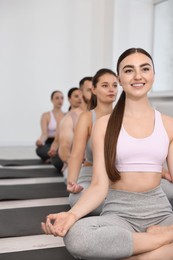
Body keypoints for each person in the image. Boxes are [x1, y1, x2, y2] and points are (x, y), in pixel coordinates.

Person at [41, 48, 173, 259]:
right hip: (119, 213)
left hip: (160, 211)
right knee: (77, 236)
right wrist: (71, 215)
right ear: (120, 79)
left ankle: (134, 252)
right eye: (129, 70)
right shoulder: (104, 125)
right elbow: (99, 185)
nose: (138, 76)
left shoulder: (168, 125)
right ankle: (163, 240)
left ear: (153, 75)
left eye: (145, 69)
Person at [67, 68, 118, 215]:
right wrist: (72, 182)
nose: (111, 89)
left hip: (116, 177)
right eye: (105, 85)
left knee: (167, 191)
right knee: (77, 199)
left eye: (115, 85)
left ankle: (118, 207)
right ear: (94, 90)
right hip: (91, 176)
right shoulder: (87, 117)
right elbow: (76, 154)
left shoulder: (124, 116)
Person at [49, 79, 93, 173]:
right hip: (75, 161)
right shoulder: (68, 118)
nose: (93, 92)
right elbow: (63, 145)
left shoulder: (102, 116)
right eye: (89, 90)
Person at [35, 90, 64, 163]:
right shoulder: (46, 115)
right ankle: (55, 157)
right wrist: (40, 141)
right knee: (40, 150)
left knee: (64, 149)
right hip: (49, 143)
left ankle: (53, 158)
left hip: (61, 143)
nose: (60, 100)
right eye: (57, 98)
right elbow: (44, 134)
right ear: (52, 100)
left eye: (62, 98)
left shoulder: (66, 115)